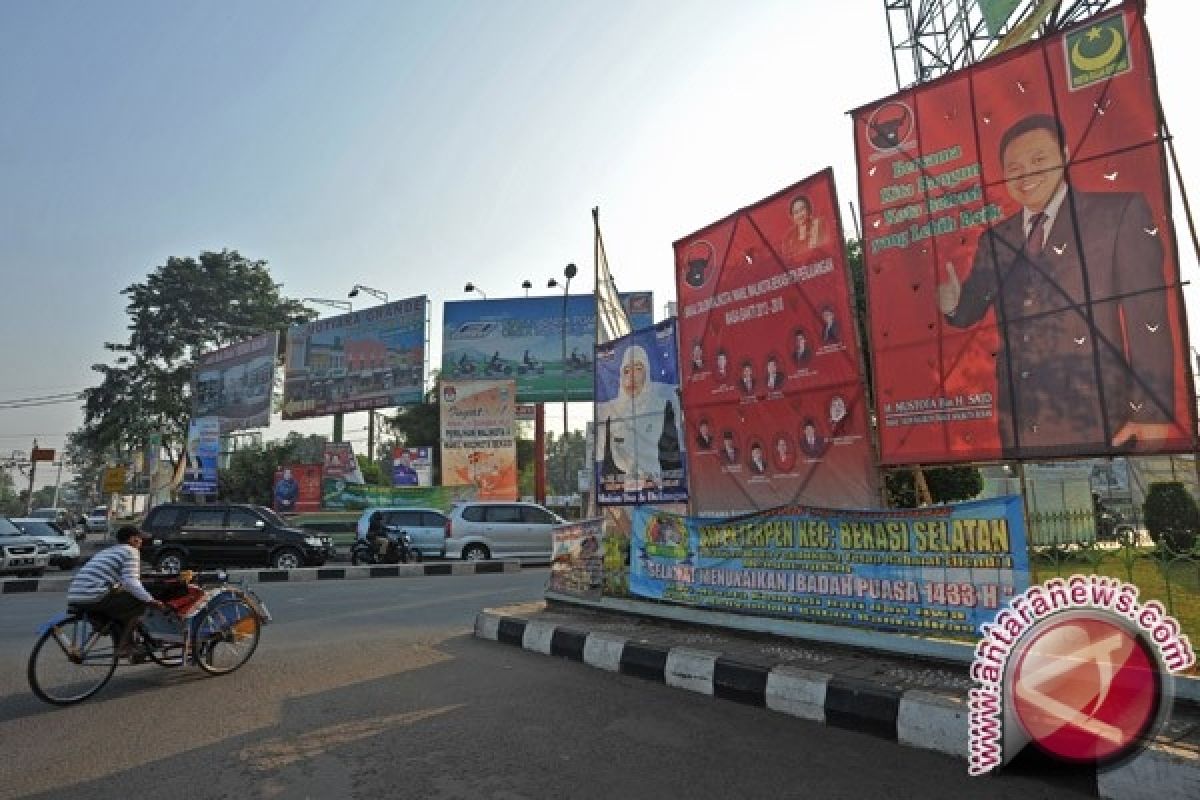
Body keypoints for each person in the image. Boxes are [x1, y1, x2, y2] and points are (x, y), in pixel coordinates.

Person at [937, 114, 1175, 457]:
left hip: (1100, 415)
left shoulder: (1117, 214)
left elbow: (1147, 316)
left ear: (1064, 155)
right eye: (1014, 167)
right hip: (1020, 417)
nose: (1026, 175)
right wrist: (951, 305)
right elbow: (969, 309)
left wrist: (1152, 411)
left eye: (1038, 160)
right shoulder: (996, 239)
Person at [65, 526, 167, 659]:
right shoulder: (131, 551)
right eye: (140, 538)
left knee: (121, 601)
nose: (141, 542)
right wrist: (150, 600)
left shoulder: (110, 551)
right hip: (94, 594)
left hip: (76, 594)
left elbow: (119, 579)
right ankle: (124, 646)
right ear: (132, 539)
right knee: (138, 603)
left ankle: (106, 626)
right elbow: (130, 581)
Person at [596, 343, 680, 492]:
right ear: (621, 375)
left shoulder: (661, 407)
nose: (632, 377)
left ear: (646, 373)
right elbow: (608, 466)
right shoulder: (613, 413)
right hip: (621, 496)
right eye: (627, 370)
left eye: (638, 369)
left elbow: (671, 458)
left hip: (655, 491)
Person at [781, 194, 826, 264]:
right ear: (792, 216)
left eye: (802, 209)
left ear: (809, 209)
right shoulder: (788, 237)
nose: (800, 215)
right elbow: (786, 260)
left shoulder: (819, 224)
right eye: (796, 212)